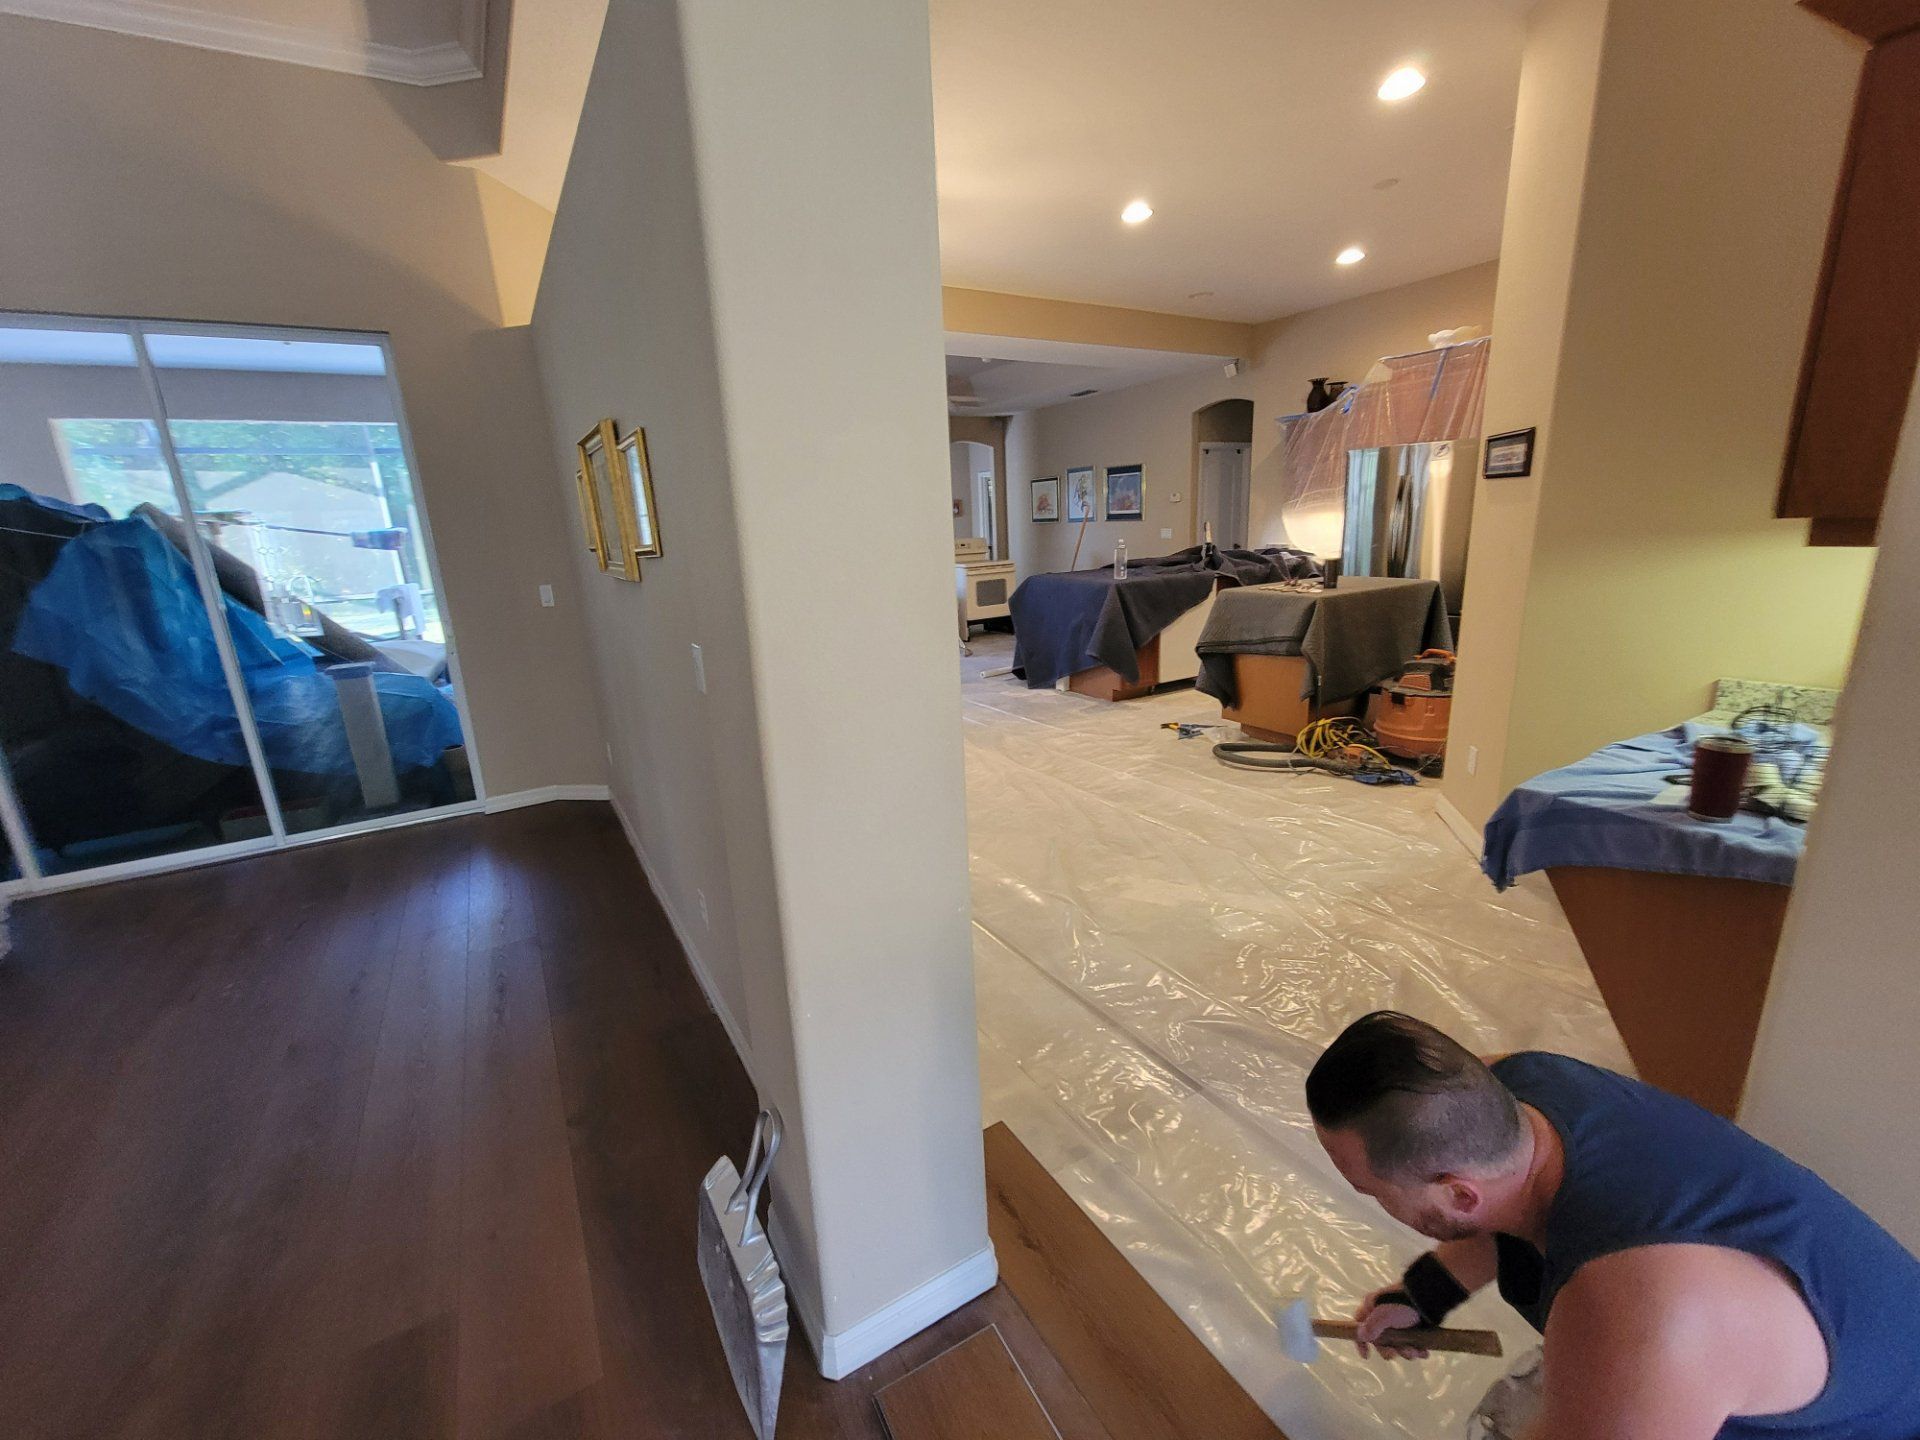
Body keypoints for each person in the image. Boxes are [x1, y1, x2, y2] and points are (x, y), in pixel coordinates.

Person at [1305, 1011, 1920, 1439]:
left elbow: (1632, 1341)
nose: (1366, 1197)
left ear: (1460, 1192)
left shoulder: (1638, 1317)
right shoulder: (1515, 1085)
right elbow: (1490, 1216)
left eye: (1369, 1188)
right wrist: (1424, 1297)